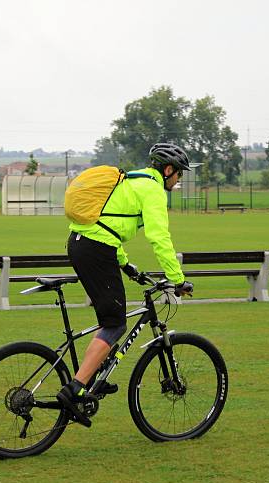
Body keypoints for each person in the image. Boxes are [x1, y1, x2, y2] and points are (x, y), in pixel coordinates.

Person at [57, 142, 194, 426]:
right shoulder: (154, 190)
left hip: (82, 243)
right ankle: (76, 388)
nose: (179, 179)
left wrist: (125, 264)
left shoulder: (133, 179)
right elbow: (159, 237)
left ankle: (91, 376)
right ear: (168, 170)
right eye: (179, 173)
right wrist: (177, 278)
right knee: (115, 323)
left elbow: (110, 223)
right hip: (96, 248)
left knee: (110, 317)